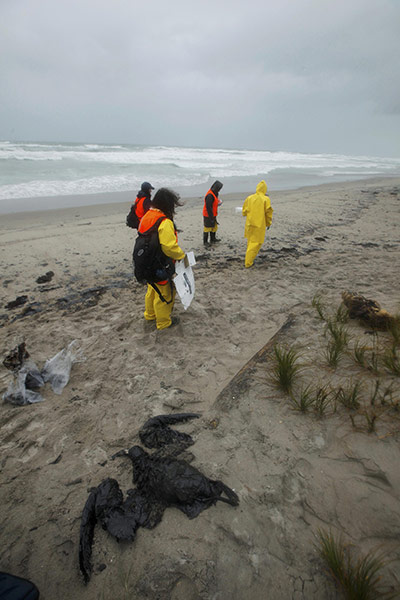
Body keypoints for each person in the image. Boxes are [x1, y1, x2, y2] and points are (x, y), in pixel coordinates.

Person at [139, 188, 185, 330]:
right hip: (159, 263)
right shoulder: (164, 222)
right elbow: (168, 246)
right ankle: (163, 322)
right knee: (165, 293)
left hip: (145, 262)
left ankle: (150, 315)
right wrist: (181, 256)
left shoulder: (148, 216)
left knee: (152, 289)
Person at [242, 180, 273, 268]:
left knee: (250, 241)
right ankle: (248, 263)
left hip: (249, 223)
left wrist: (246, 214)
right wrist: (268, 223)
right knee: (256, 243)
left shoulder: (250, 198)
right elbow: (268, 213)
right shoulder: (266, 199)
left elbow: (244, 211)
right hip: (259, 224)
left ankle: (248, 259)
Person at [202, 180, 223, 246]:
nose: (219, 190)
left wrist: (218, 203)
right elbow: (208, 207)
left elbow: (214, 202)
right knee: (207, 228)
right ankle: (205, 242)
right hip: (208, 214)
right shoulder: (209, 196)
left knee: (214, 227)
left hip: (213, 213)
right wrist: (211, 217)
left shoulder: (215, 193)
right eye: (219, 188)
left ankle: (213, 239)